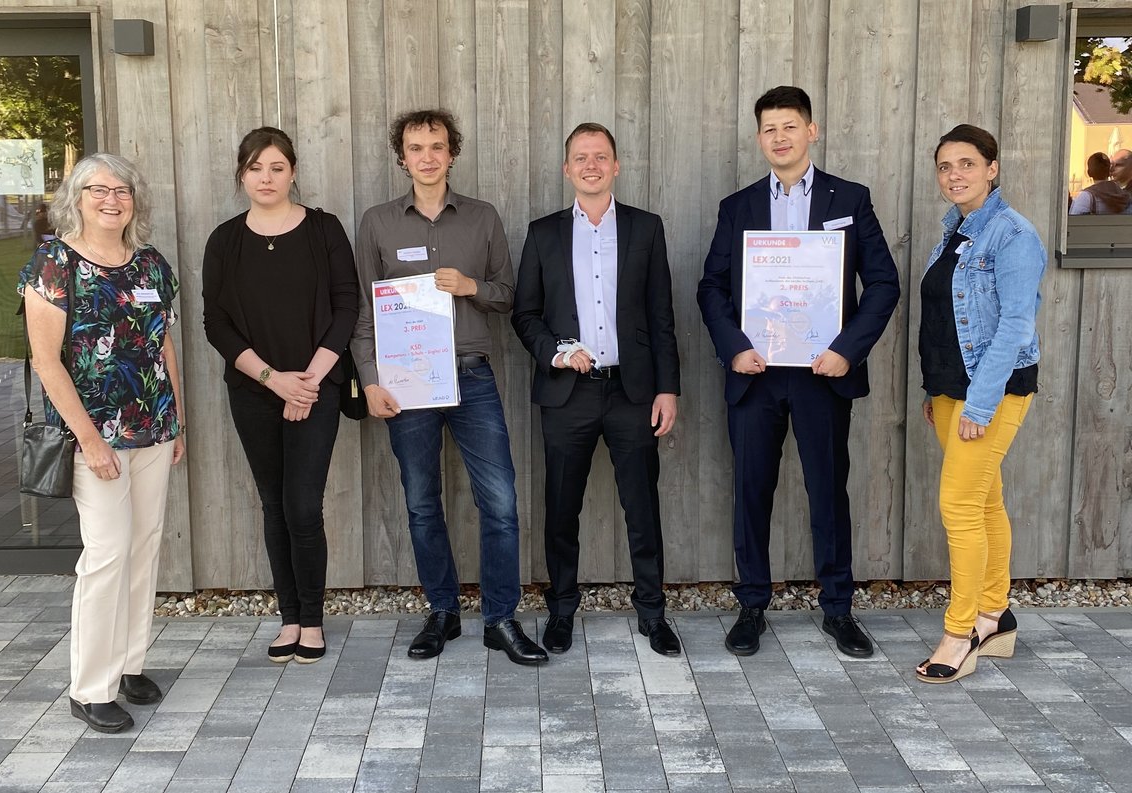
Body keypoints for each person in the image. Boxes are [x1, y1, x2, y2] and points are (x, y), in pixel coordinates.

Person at [697, 86, 900, 658]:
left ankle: (838, 608)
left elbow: (883, 283)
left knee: (827, 491)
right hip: (755, 371)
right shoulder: (737, 207)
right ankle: (751, 604)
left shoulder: (850, 199)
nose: (779, 137)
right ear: (758, 137)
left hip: (822, 372)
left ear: (812, 131)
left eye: (790, 126)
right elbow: (711, 285)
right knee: (751, 491)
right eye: (769, 129)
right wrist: (734, 346)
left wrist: (847, 348)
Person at [350, 108, 547, 666]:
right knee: (420, 502)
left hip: (471, 374)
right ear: (402, 157)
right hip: (406, 381)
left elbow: (509, 294)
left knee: (501, 500)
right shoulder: (377, 223)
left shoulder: (482, 218)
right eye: (417, 148)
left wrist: (471, 286)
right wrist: (369, 381)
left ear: (452, 153)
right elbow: (365, 311)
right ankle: (442, 612)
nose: (428, 157)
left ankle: (501, 619)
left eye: (438, 146)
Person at [18, 153, 185, 733]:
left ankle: (131, 664)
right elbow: (46, 359)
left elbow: (163, 347)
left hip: (153, 430)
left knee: (145, 546)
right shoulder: (55, 262)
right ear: (76, 197)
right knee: (108, 553)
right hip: (95, 438)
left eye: (122, 190)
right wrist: (89, 439)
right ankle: (90, 686)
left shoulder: (152, 265)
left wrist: (177, 420)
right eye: (98, 190)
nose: (111, 199)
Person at [512, 122, 682, 656]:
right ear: (567, 169)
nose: (591, 165)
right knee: (562, 508)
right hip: (568, 395)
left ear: (616, 166)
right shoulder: (543, 233)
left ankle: (652, 614)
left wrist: (667, 389)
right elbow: (526, 315)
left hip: (633, 393)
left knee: (642, 506)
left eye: (600, 156)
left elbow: (661, 317)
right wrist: (557, 352)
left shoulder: (645, 228)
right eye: (580, 157)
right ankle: (561, 611)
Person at [202, 127, 359, 664]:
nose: (265, 178)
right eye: (254, 168)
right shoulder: (224, 240)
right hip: (254, 392)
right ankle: (287, 616)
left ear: (293, 172)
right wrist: (274, 380)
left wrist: (307, 382)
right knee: (273, 504)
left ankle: (312, 620)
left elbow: (346, 309)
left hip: (318, 388)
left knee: (302, 505)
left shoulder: (324, 229)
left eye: (275, 167)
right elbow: (215, 324)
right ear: (240, 175)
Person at [914, 124, 1046, 683]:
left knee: (960, 509)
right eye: (945, 167)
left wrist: (977, 406)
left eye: (966, 164)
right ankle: (995, 613)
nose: (955, 176)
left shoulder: (1013, 236)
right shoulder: (956, 231)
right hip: (951, 389)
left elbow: (1015, 326)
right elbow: (949, 321)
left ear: (992, 168)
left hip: (990, 393)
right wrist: (937, 391)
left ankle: (961, 631)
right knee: (985, 501)